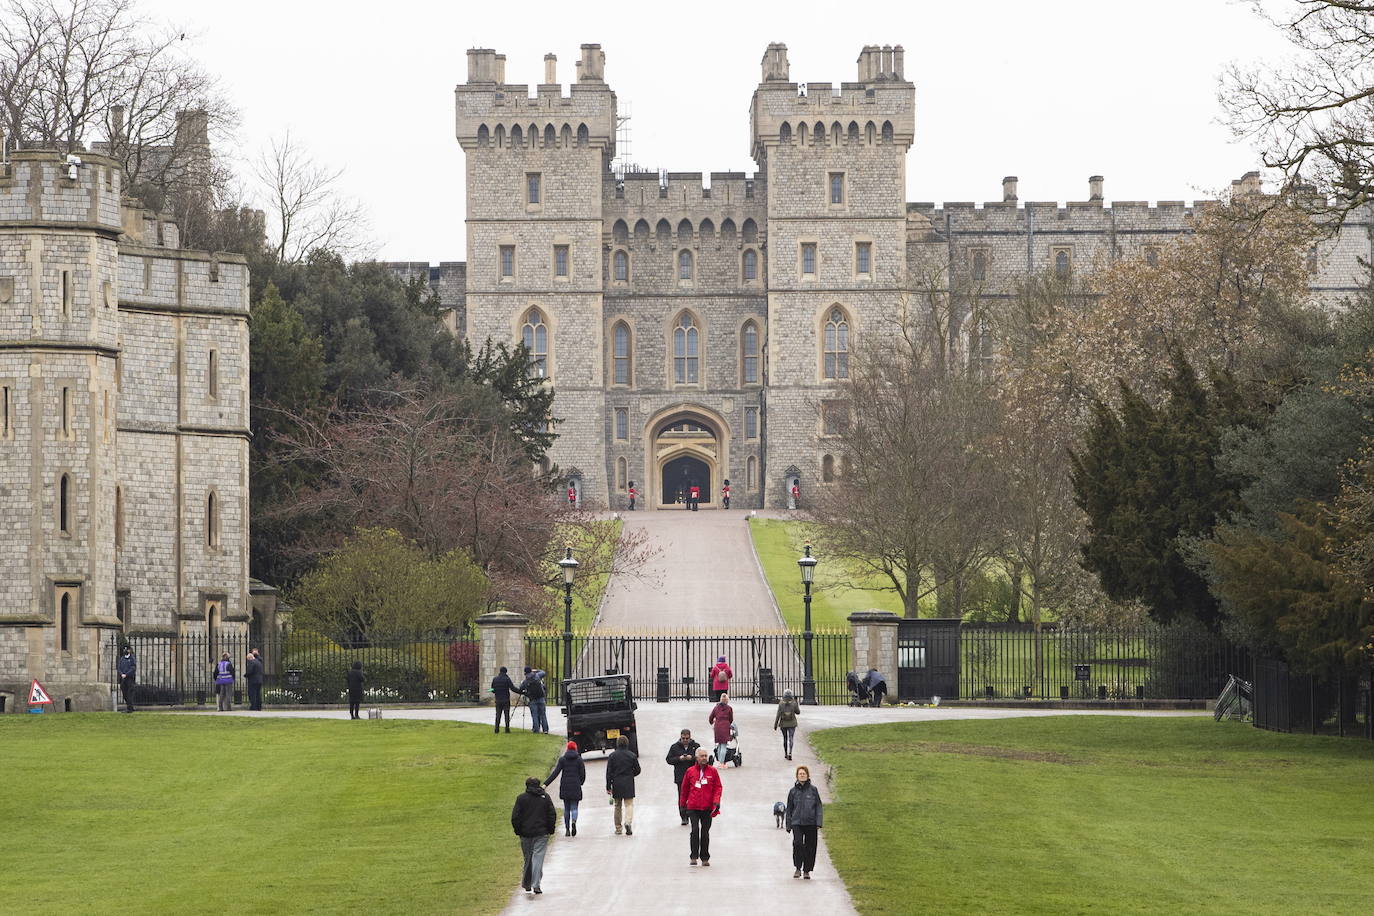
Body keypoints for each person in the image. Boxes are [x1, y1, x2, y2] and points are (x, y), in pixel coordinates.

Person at [511, 775, 557, 895]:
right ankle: (536, 884)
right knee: (537, 858)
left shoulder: (521, 798)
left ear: (527, 786)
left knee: (528, 858)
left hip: (526, 834)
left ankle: (527, 884)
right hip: (542, 833)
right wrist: (550, 829)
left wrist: (518, 831)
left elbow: (515, 817)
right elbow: (552, 814)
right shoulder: (545, 797)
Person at [679, 746, 723, 866]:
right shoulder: (690, 771)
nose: (704, 758)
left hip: (707, 807)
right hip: (693, 807)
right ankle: (693, 856)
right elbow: (684, 789)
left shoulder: (713, 771)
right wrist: (682, 805)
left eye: (705, 756)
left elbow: (718, 787)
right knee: (695, 830)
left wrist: (716, 802)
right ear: (697, 758)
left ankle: (705, 857)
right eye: (702, 756)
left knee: (705, 832)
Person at [785, 765, 824, 879]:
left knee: (810, 846)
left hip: (811, 822)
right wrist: (788, 824)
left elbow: (818, 806)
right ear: (797, 776)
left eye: (804, 774)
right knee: (798, 844)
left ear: (807, 776)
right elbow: (789, 809)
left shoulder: (813, 790)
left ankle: (807, 870)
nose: (802, 776)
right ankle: (797, 868)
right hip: (797, 822)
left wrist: (818, 822)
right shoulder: (792, 792)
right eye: (800, 774)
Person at [544, 741, 586, 837]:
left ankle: (567, 829)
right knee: (574, 807)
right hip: (575, 785)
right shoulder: (579, 760)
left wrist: (545, 784)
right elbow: (583, 774)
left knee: (566, 808)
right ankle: (574, 821)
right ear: (575, 748)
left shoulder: (563, 760)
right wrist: (581, 782)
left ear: (567, 749)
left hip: (565, 786)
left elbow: (555, 773)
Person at [605, 735, 641, 836]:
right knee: (629, 804)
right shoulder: (632, 755)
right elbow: (638, 770)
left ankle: (618, 828)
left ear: (617, 744)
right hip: (628, 782)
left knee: (617, 806)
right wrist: (631, 775)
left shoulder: (612, 756)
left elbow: (609, 772)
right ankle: (628, 822)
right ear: (627, 743)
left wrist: (608, 786)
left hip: (616, 783)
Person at [666, 728, 701, 825]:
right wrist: (679, 759)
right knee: (682, 797)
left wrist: (692, 758)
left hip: (694, 776)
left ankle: (693, 816)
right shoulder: (674, 747)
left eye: (687, 738)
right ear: (680, 737)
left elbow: (702, 758)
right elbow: (668, 759)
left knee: (694, 796)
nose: (685, 740)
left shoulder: (696, 746)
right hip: (680, 776)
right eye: (683, 738)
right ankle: (684, 817)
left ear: (690, 737)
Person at [774, 687, 801, 761]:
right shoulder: (794, 703)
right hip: (792, 723)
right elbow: (798, 712)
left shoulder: (781, 703)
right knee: (791, 738)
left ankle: (785, 753)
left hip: (783, 723)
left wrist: (775, 724)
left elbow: (778, 714)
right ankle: (790, 753)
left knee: (785, 738)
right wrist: (796, 703)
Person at [520, 666, 549, 733]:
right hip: (541, 697)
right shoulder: (537, 676)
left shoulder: (526, 681)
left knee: (534, 715)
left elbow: (521, 688)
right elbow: (543, 672)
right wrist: (535, 670)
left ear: (525, 672)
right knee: (543, 715)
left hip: (532, 699)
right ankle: (545, 729)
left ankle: (536, 730)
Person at [708, 693, 734, 765]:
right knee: (724, 745)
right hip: (725, 727)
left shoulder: (716, 708)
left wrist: (712, 722)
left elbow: (711, 717)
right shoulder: (729, 708)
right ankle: (721, 762)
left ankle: (719, 760)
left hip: (717, 726)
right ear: (727, 701)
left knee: (719, 744)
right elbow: (731, 719)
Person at [491, 665, 518, 733]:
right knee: (506, 715)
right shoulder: (507, 679)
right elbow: (513, 688)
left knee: (498, 715)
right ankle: (507, 729)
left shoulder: (495, 679)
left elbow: (491, 689)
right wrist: (521, 691)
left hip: (498, 700)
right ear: (506, 672)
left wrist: (495, 691)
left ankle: (496, 729)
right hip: (505, 699)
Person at [116, 644, 136, 713]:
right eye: (124, 649)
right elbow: (119, 667)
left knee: (129, 693)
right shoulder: (122, 659)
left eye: (126, 649)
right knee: (124, 693)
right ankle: (130, 706)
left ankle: (129, 708)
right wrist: (121, 674)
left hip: (129, 678)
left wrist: (126, 674)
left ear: (129, 650)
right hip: (123, 679)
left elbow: (133, 668)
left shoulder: (132, 659)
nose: (125, 650)